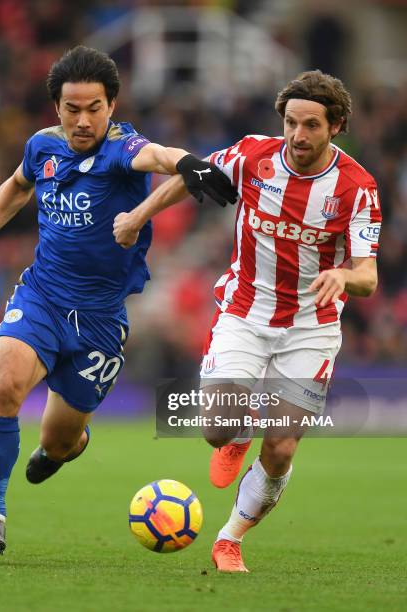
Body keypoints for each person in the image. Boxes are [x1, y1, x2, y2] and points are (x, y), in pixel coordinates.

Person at [0, 45, 237, 558]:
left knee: (58, 440)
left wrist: (189, 163)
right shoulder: (43, 146)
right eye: (72, 109)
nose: (83, 121)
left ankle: (70, 446)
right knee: (5, 385)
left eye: (95, 109)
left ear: (113, 105)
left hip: (101, 321)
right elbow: (18, 185)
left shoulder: (122, 149)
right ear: (56, 108)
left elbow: (159, 156)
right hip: (41, 295)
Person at [113, 70, 381, 572]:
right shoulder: (253, 156)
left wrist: (344, 277)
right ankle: (236, 436)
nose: (298, 136)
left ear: (336, 126)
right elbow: (189, 178)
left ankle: (230, 537)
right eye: (291, 123)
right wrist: (137, 216)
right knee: (216, 428)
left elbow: (368, 276)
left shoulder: (357, 189)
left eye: (311, 126)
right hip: (244, 311)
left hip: (312, 325)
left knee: (280, 446)